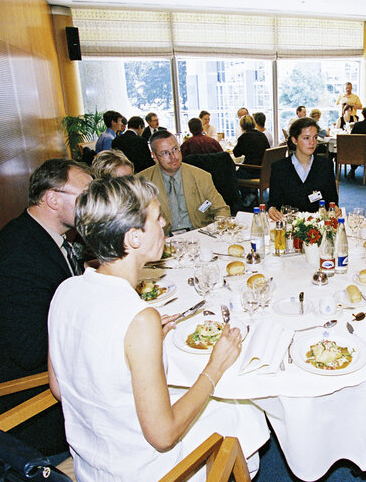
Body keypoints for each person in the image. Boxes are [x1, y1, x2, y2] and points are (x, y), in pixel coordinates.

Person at [48, 176, 268, 480]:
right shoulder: (139, 319)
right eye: (156, 217)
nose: (165, 223)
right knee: (243, 410)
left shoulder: (66, 290)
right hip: (144, 472)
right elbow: (163, 437)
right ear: (133, 238)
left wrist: (138, 354)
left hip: (92, 464)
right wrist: (215, 366)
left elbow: (60, 387)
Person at [0, 158, 93, 454]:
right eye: (87, 196)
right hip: (39, 405)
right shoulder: (16, 258)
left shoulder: (44, 237)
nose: (94, 205)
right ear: (52, 199)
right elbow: (30, 350)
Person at [137, 130, 229, 234]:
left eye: (175, 149)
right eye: (165, 153)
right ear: (154, 155)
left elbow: (221, 209)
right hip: (165, 240)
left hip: (199, 236)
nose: (173, 156)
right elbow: (134, 222)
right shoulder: (141, 183)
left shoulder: (201, 177)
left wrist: (216, 230)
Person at [267, 117, 338, 220]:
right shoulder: (279, 168)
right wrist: (271, 209)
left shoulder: (326, 165)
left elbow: (332, 201)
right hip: (289, 225)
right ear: (294, 140)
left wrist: (334, 208)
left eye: (315, 137)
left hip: (317, 226)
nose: (312, 142)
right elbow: (273, 203)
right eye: (306, 138)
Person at [348, 106, 366, 180]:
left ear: (363, 114)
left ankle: (352, 169)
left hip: (353, 150)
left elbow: (351, 137)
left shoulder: (357, 124)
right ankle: (353, 169)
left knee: (356, 150)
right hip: (365, 150)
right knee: (362, 150)